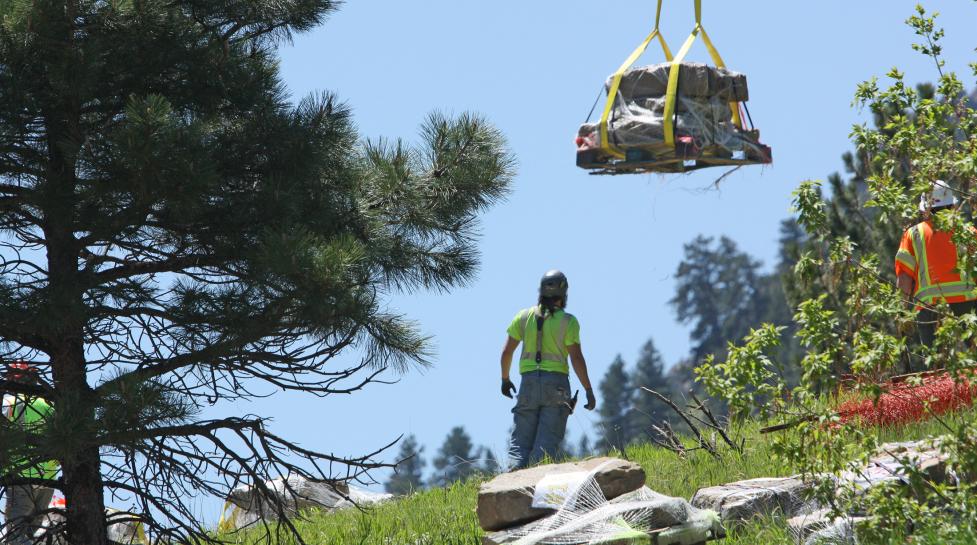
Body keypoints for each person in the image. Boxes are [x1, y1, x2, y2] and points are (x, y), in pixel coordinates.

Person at [499, 270, 596, 469]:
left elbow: (507, 352)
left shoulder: (523, 317)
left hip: (528, 385)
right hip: (556, 386)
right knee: (545, 448)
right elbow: (576, 358)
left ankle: (509, 488)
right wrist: (588, 389)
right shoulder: (569, 322)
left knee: (519, 447)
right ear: (564, 294)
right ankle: (536, 494)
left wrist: (505, 379)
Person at [895, 180, 977, 352]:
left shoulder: (913, 234)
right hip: (968, 305)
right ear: (953, 206)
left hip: (930, 308)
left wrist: (902, 313)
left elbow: (904, 280)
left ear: (925, 209)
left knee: (936, 368)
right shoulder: (969, 233)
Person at [2, 361, 57, 545]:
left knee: (16, 535)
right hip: (47, 480)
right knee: (33, 534)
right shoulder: (50, 404)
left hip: (21, 478)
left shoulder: (9, 403)